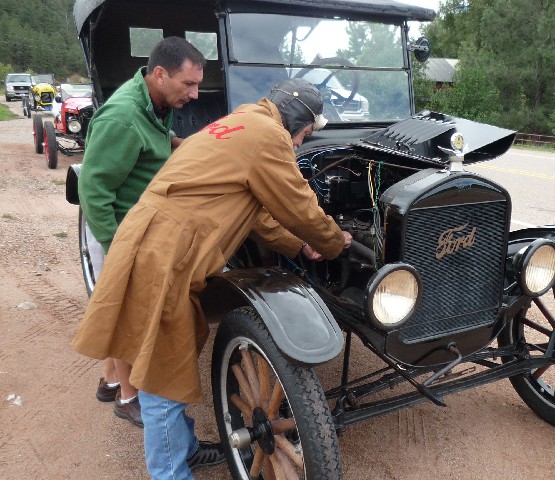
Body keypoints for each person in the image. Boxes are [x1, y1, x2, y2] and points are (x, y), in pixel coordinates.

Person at [71, 77, 352, 479]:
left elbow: (257, 213)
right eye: (304, 135)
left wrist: (299, 245)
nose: (299, 146)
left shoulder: (242, 124)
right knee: (162, 375)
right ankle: (170, 472)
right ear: (293, 119)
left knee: (170, 357)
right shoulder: (268, 136)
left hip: (155, 242)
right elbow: (300, 205)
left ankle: (182, 449)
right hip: (165, 254)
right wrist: (333, 243)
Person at [78, 36, 206, 428]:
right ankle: (128, 398)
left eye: (198, 84)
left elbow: (150, 134)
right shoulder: (121, 117)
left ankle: (110, 381)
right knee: (127, 316)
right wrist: (117, 248)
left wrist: (179, 143)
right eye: (189, 84)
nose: (195, 94)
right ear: (161, 74)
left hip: (135, 224)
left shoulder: (154, 102)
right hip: (117, 230)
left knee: (116, 311)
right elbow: (94, 190)